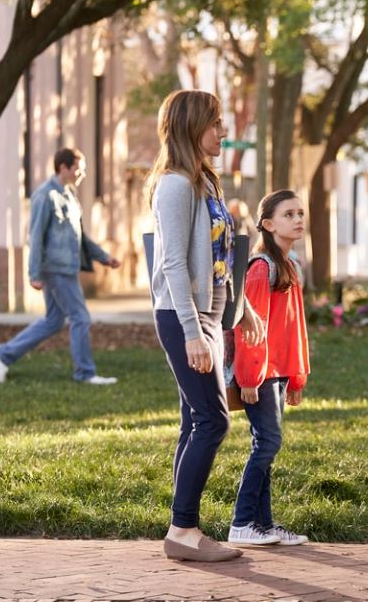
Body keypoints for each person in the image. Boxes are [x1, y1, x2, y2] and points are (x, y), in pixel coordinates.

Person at [147, 89, 261, 562]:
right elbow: (173, 263)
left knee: (195, 420)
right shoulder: (174, 185)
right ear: (192, 127)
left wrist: (238, 311)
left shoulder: (206, 183)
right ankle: (183, 530)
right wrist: (194, 332)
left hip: (207, 315)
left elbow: (218, 259)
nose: (223, 131)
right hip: (181, 317)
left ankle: (182, 528)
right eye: (215, 123)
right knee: (213, 419)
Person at [0, 148, 121, 385]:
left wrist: (103, 257)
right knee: (80, 317)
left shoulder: (70, 196)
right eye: (79, 167)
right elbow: (35, 237)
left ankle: (2, 354)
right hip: (55, 270)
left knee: (53, 321)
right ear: (64, 168)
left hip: (67, 268)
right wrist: (34, 273)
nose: (83, 173)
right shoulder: (45, 196)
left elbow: (81, 238)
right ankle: (85, 373)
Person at [228, 189, 310, 547]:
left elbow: (293, 330)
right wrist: (248, 377)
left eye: (300, 213)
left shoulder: (289, 267)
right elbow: (248, 328)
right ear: (267, 224)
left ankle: (263, 525)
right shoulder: (262, 268)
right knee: (268, 443)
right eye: (289, 214)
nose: (298, 219)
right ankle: (242, 522)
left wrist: (296, 376)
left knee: (267, 445)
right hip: (258, 375)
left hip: (276, 373)